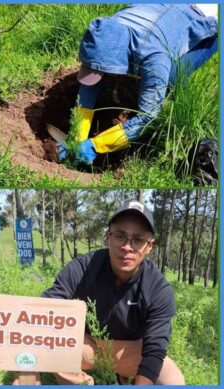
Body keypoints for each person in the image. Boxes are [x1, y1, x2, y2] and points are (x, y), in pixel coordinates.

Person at [13, 201, 183, 385]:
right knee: (55, 343)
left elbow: (155, 349)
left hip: (132, 350)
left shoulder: (158, 288)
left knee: (173, 381)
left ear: (149, 246)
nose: (127, 246)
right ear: (108, 238)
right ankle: (84, 383)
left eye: (138, 240)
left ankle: (124, 376)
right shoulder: (83, 267)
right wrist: (27, 370)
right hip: (87, 344)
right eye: (120, 236)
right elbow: (43, 310)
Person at [61, 4, 218, 165]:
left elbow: (148, 117)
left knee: (172, 77)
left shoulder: (155, 57)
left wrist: (96, 145)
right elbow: (89, 85)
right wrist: (76, 137)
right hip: (159, 11)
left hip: (205, 17)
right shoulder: (105, 30)